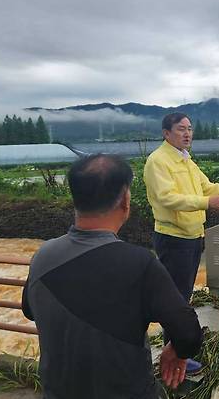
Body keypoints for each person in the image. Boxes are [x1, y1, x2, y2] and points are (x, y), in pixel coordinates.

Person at [22, 154, 203, 399]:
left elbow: (29, 310)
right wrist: (178, 351)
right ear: (125, 201)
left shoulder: (43, 256)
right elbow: (189, 333)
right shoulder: (141, 264)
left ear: (75, 200)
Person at [143, 112, 219, 373]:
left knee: (183, 296)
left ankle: (176, 349)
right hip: (173, 237)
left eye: (190, 129)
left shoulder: (184, 159)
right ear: (166, 133)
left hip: (191, 236)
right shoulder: (158, 161)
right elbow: (167, 198)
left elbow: (206, 186)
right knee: (176, 300)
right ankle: (175, 356)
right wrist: (206, 203)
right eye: (181, 129)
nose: (187, 134)